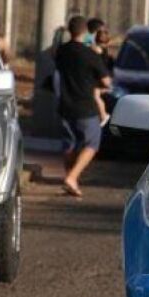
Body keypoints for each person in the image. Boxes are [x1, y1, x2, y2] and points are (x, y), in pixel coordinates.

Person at [55, 15, 111, 197]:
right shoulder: (90, 55)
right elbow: (106, 81)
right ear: (86, 32)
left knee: (69, 143)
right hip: (85, 105)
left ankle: (70, 178)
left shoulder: (61, 51)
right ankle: (72, 177)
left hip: (65, 104)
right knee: (92, 143)